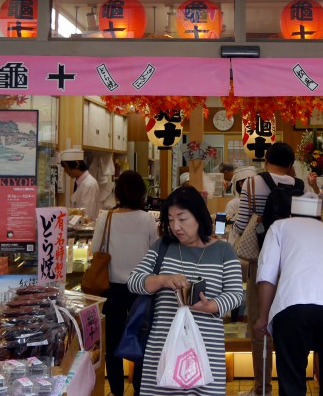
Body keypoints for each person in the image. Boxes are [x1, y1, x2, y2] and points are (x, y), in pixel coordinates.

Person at [128, 186, 243, 396]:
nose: (176, 227)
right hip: (163, 346)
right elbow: (134, 282)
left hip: (206, 348)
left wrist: (212, 306)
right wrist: (163, 280)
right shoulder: (162, 246)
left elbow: (236, 294)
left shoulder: (223, 251)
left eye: (182, 218)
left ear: (199, 216)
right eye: (170, 220)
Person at [254, 191, 323, 396]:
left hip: (291, 307)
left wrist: (263, 316)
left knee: (292, 384)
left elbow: (267, 275)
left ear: (292, 213)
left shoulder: (280, 227)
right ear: (318, 216)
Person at [234, 142, 304, 396]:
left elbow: (242, 225)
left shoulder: (253, 183)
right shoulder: (300, 185)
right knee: (287, 323)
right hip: (292, 264)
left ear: (266, 161)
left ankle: (261, 388)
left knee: (259, 324)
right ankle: (291, 386)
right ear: (291, 164)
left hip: (262, 262)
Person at [92, 170, 158, 396]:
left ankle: (117, 391)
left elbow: (95, 251)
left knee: (113, 344)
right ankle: (140, 389)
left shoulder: (106, 217)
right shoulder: (148, 219)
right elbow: (155, 253)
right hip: (142, 289)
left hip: (113, 288)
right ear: (141, 192)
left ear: (118, 191)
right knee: (141, 340)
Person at [59, 147, 100, 222]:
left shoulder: (89, 185)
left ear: (76, 164)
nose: (65, 171)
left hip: (86, 231)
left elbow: (87, 215)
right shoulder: (79, 183)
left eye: (66, 167)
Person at [226, 165, 257, 237]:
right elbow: (225, 227)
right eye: (251, 182)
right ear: (240, 184)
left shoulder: (232, 204)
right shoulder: (233, 204)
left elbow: (222, 229)